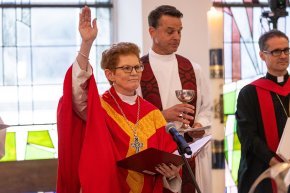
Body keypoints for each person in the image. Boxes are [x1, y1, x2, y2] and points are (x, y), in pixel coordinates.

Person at [57, 6, 183, 193]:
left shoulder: (152, 113)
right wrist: (86, 45)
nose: (134, 73)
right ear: (110, 74)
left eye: (137, 67)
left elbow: (167, 160)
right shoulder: (99, 108)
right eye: (126, 68)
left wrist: (172, 173)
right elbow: (75, 93)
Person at [138, 5, 212, 193]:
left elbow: (207, 108)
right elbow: (131, 115)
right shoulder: (137, 70)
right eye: (170, 31)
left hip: (188, 152)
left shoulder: (192, 69)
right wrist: (162, 116)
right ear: (152, 31)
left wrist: (198, 126)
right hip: (154, 152)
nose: (177, 37)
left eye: (179, 31)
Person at [236, 29, 290, 193]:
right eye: (276, 51)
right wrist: (275, 162)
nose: (283, 55)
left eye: (286, 50)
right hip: (262, 171)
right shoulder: (249, 93)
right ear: (262, 55)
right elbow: (248, 136)